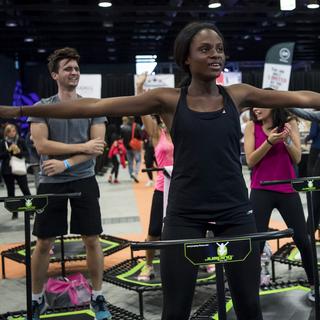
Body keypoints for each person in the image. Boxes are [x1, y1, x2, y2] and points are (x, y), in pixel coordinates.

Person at [2, 22, 320, 320]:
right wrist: (19, 111)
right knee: (175, 309)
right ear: (186, 58)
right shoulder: (167, 100)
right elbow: (93, 107)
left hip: (236, 212)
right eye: (206, 49)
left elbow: (300, 97)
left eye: (220, 49)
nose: (216, 55)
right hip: (185, 215)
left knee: (249, 307)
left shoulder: (238, 94)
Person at [26, 47, 111, 320]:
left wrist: (65, 163)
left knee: (92, 239)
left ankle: (97, 295)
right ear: (55, 74)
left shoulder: (93, 106)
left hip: (83, 179)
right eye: (67, 68)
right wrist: (82, 147)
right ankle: (37, 298)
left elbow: (97, 147)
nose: (73, 72)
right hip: (50, 183)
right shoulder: (42, 106)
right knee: (43, 242)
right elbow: (41, 144)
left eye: (76, 68)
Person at [244, 107, 315, 301]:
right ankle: (251, 288)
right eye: (253, 106)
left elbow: (297, 158)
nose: (256, 109)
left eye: (260, 105)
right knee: (255, 244)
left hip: (287, 190)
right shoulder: (251, 126)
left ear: (272, 105)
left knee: (302, 239)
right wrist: (269, 142)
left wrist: (287, 140)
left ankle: (314, 284)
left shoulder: (289, 124)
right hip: (261, 190)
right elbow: (250, 161)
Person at [135, 73, 174, 281]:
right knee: (154, 230)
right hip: (162, 186)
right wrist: (140, 88)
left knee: (197, 227)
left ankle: (206, 260)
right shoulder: (157, 133)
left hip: (184, 186)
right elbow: (142, 109)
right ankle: (148, 265)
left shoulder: (180, 128)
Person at [0, 123, 31, 219]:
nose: (12, 133)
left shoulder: (20, 141)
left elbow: (26, 154)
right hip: (7, 170)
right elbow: (0, 156)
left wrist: (19, 151)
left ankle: (30, 210)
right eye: (9, 131)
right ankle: (14, 212)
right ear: (6, 133)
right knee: (10, 192)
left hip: (19, 168)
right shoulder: (3, 143)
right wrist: (8, 151)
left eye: (13, 131)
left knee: (25, 189)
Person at [120, 116, 142, 182]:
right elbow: (141, 136)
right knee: (138, 161)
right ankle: (135, 173)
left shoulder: (124, 127)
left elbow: (122, 137)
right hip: (135, 147)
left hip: (127, 147)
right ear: (134, 119)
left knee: (130, 162)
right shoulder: (137, 126)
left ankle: (131, 173)